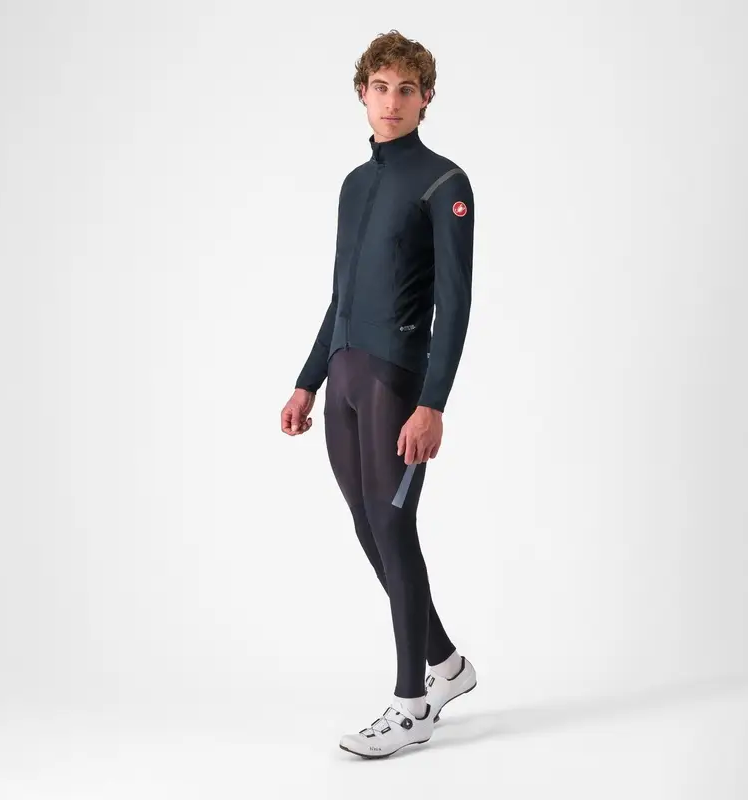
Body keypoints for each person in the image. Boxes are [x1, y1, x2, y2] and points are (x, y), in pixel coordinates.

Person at [280, 30, 477, 759]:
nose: (392, 101)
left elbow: (455, 303)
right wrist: (307, 380)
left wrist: (433, 403)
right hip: (344, 380)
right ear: (362, 93)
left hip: (396, 382)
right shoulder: (354, 185)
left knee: (395, 528)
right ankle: (447, 665)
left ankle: (412, 703)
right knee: (368, 526)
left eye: (407, 89)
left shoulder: (445, 183)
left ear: (427, 99)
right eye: (381, 87)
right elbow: (340, 294)